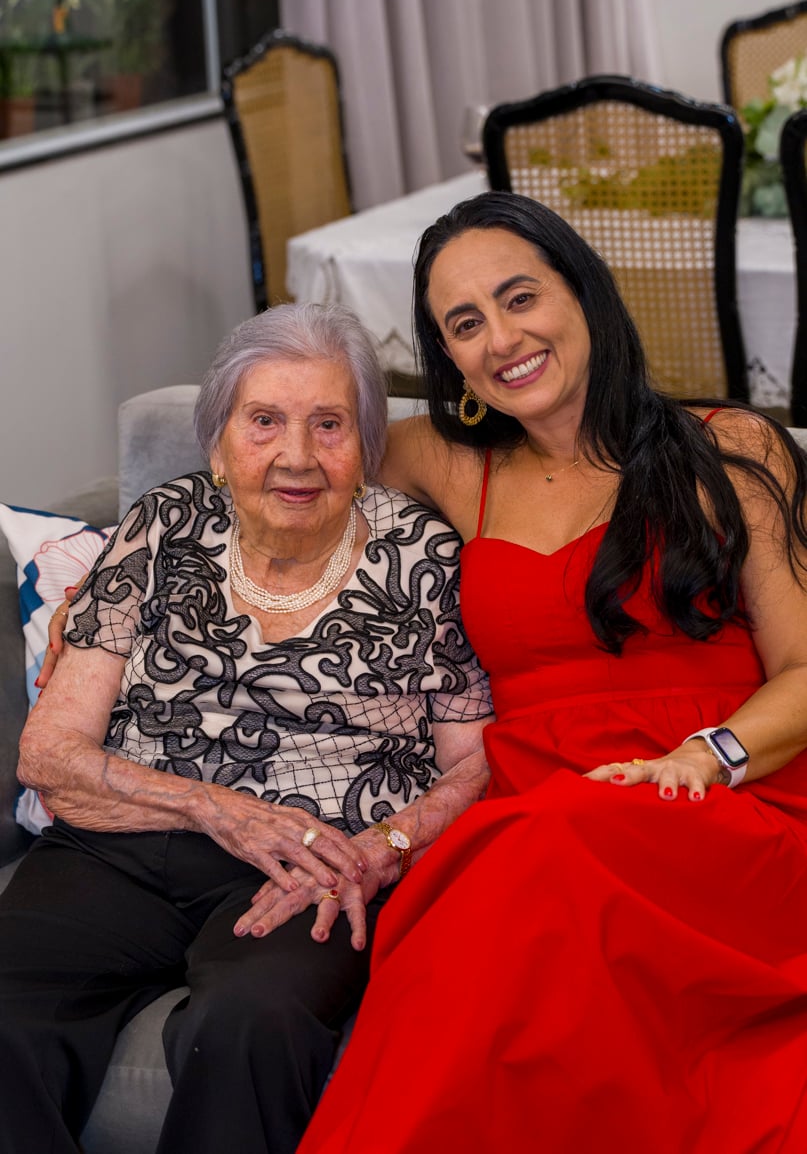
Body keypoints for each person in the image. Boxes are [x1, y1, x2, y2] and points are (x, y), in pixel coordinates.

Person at [296, 191, 807, 1154]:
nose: (501, 339)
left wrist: (704, 757)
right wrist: (118, 575)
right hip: (536, 820)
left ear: (583, 293)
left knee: (528, 863)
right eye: (464, 324)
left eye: (519, 297)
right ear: (448, 359)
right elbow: (274, 466)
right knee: (498, 893)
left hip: (720, 803)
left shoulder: (727, 446)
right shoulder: (444, 462)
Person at [0, 302, 494, 1154]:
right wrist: (214, 808)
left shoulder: (424, 555)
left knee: (252, 1021)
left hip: (313, 861)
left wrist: (383, 848)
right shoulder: (164, 524)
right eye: (264, 421)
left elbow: (473, 765)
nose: (296, 455)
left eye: (329, 424)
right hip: (122, 844)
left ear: (366, 444)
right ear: (219, 443)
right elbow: (48, 750)